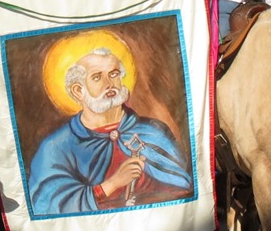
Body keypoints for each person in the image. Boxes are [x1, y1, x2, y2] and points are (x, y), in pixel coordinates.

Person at [28, 46, 193, 216]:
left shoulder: (153, 131)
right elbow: (47, 205)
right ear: (78, 91)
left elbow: (184, 190)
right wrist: (112, 184)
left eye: (113, 74)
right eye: (97, 77)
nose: (109, 84)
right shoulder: (56, 147)